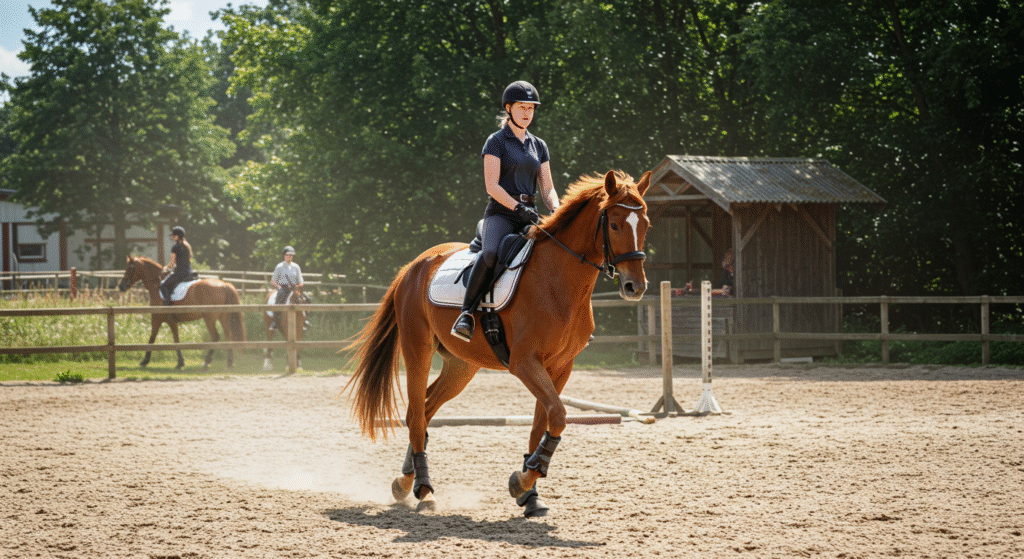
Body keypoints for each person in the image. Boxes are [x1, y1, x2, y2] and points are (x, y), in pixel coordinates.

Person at [451, 80, 560, 342]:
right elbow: (492, 185)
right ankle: (465, 314)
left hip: (530, 213)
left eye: (531, 108)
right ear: (508, 108)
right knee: (490, 254)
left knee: (553, 255)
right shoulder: (496, 141)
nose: (527, 113)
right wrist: (517, 207)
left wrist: (556, 210)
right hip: (501, 213)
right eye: (522, 107)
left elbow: (548, 188)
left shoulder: (539, 145)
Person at [269, 245, 304, 330]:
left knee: (307, 299)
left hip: (294, 288)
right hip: (284, 289)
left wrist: (297, 286)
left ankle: (305, 320)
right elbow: (273, 281)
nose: (290, 257)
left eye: (291, 255)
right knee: (279, 298)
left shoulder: (296, 267)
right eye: (288, 255)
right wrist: (279, 287)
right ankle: (276, 321)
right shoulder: (279, 266)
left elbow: (301, 282)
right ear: (284, 255)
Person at [160, 226, 192, 305]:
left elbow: (171, 263)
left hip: (180, 273)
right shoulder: (187, 246)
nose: (173, 238)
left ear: (177, 236)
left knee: (163, 286)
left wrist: (164, 268)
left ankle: (167, 305)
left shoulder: (176, 247)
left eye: (173, 236)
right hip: (189, 271)